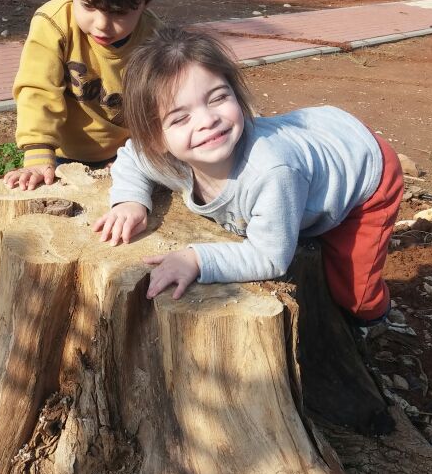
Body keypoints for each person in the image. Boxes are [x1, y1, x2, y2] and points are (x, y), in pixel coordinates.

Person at [93, 25, 403, 323]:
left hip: (363, 168)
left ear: (237, 96)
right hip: (313, 140)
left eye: (218, 98)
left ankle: (377, 324)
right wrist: (130, 201)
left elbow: (270, 257)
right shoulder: (171, 160)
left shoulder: (271, 171)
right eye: (180, 118)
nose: (206, 121)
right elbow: (131, 157)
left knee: (355, 295)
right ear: (156, 140)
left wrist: (196, 259)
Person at [4, 0, 172, 191]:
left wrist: (140, 154)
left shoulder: (155, 39)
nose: (102, 24)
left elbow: (159, 106)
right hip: (61, 158)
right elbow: (37, 91)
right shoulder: (53, 24)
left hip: (126, 157)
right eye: (89, 6)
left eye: (119, 13)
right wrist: (38, 153)